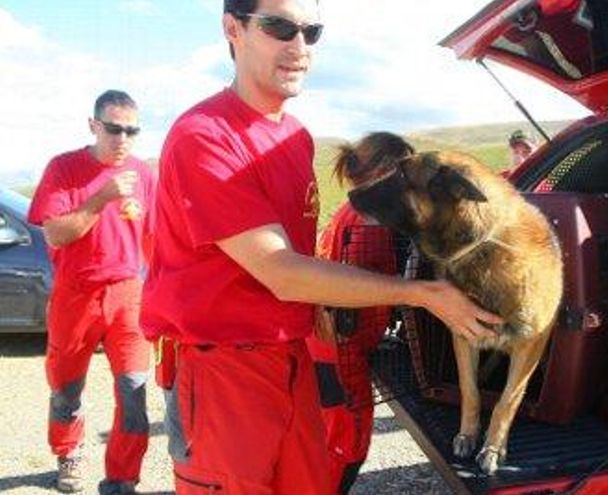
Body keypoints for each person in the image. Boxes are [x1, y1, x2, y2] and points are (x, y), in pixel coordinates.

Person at [140, 1, 501, 494]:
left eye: (312, 32)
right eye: (280, 27)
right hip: (225, 370)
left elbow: (298, 268)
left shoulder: (294, 138)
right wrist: (422, 293)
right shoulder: (205, 136)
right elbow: (281, 271)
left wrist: (323, 299)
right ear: (233, 29)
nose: (299, 47)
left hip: (292, 357)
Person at [27, 90, 155, 495]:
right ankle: (68, 453)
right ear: (93, 125)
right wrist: (102, 197)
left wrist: (159, 292)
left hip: (128, 295)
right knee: (66, 388)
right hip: (75, 295)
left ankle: (122, 479)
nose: (123, 139)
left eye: (132, 130)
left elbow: (154, 239)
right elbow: (56, 234)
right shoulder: (64, 168)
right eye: (114, 128)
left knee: (134, 391)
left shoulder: (144, 174)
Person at [306, 132, 414, 494]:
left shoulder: (350, 209)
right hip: (341, 349)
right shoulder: (369, 219)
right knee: (347, 442)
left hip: (331, 345)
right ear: (386, 170)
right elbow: (368, 287)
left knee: (336, 434)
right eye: (405, 171)